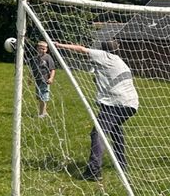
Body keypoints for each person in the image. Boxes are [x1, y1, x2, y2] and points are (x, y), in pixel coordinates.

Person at [53, 38, 138, 181]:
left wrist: (59, 45)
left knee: (97, 133)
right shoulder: (119, 61)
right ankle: (121, 164)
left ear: (103, 49)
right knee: (115, 130)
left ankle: (93, 171)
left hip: (116, 103)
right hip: (131, 103)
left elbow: (81, 48)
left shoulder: (104, 56)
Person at [30, 40, 56, 118]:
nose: (42, 50)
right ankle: (44, 112)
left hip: (45, 80)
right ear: (37, 48)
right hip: (37, 80)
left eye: (44, 49)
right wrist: (30, 79)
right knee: (39, 97)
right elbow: (32, 69)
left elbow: (53, 69)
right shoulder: (34, 58)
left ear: (46, 49)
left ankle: (42, 114)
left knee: (43, 97)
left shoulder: (48, 57)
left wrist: (51, 78)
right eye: (40, 48)